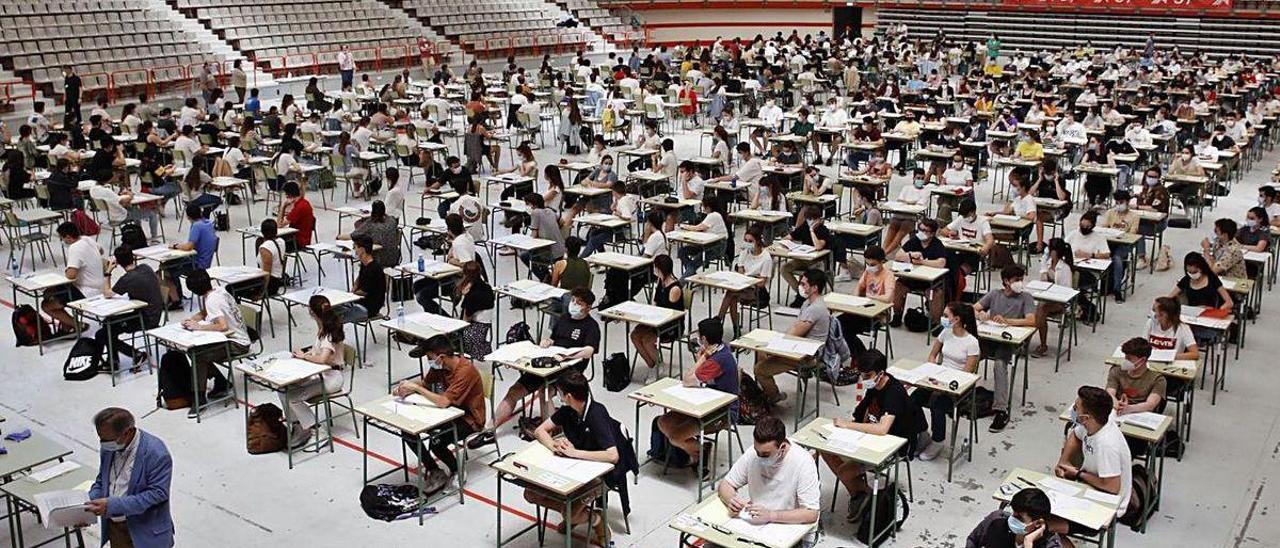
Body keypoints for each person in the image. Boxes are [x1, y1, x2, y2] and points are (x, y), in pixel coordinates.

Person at [525, 371, 637, 546]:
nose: (559, 395)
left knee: (569, 513)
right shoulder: (568, 410)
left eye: (560, 392)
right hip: (578, 465)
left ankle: (597, 521)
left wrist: (574, 453)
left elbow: (612, 456)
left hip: (604, 472)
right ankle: (575, 513)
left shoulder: (596, 414)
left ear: (568, 396)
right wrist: (556, 447)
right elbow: (540, 431)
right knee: (531, 494)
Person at [822, 349, 926, 521]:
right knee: (826, 451)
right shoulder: (874, 387)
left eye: (868, 375)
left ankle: (865, 494)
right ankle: (861, 493)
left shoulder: (894, 392)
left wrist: (848, 425)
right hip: (869, 438)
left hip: (893, 445)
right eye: (863, 375)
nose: (865, 380)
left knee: (844, 473)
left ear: (881, 373)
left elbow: (882, 429)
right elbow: (859, 413)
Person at [491, 288, 600, 436]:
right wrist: (547, 341)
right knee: (514, 391)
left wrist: (568, 356)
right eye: (573, 300)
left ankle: (549, 430)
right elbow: (554, 338)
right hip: (548, 361)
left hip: (569, 368)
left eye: (579, 302)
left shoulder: (591, 326)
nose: (574, 304)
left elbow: (589, 351)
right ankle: (489, 430)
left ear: (587, 307)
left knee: (546, 391)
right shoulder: (564, 318)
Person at [392, 334, 488, 493]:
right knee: (408, 431)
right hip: (447, 414)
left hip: (470, 419)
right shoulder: (440, 366)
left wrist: (416, 389)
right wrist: (406, 388)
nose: (430, 361)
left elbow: (443, 401)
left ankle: (456, 470)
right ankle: (434, 470)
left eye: (430, 357)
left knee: (437, 442)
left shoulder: (465, 371)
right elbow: (425, 384)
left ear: (441, 357)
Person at [653, 317, 739, 476]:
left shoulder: (717, 359)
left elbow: (687, 379)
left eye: (700, 336)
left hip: (722, 412)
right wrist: (703, 357)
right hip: (704, 401)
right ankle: (697, 449)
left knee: (675, 437)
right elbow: (699, 375)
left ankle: (700, 453)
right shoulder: (721, 347)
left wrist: (703, 358)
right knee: (663, 421)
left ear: (704, 339)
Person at [717, 416, 820, 546]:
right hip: (756, 524)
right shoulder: (753, 454)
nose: (759, 457)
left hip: (788, 526)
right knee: (712, 543)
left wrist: (771, 515)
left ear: (782, 447)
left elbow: (811, 513)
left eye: (765, 454)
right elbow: (725, 485)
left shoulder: (803, 462)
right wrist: (733, 501)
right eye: (757, 451)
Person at [87, 407, 174, 548]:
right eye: (101, 439)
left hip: (146, 534)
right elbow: (102, 481)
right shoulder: (109, 447)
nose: (103, 444)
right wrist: (88, 505)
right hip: (116, 529)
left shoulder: (156, 453)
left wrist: (112, 505)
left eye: (107, 440)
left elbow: (157, 494)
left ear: (128, 432)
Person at [1051, 386, 1132, 536]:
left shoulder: (1107, 444)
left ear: (1086, 417)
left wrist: (1078, 474)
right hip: (1089, 486)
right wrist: (1063, 462)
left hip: (1105, 501)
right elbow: (1076, 435)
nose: (1073, 409)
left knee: (1047, 525)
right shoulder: (1094, 424)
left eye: (1076, 408)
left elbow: (1112, 487)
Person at [973, 265, 1037, 432]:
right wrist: (980, 315)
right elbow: (974, 308)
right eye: (1016, 280)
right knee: (970, 355)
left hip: (1009, 343)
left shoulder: (1026, 298)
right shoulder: (995, 294)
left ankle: (1001, 409)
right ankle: (962, 393)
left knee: (1000, 365)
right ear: (1006, 282)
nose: (1020, 283)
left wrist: (1008, 321)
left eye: (1021, 279)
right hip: (989, 339)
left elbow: (1031, 321)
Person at [280, 295, 348, 448]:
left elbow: (323, 359)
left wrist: (305, 356)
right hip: (320, 374)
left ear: (312, 313)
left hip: (332, 378)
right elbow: (318, 353)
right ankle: (299, 426)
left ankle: (317, 431)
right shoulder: (323, 329)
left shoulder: (329, 334)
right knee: (282, 389)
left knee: (293, 397)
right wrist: (307, 354)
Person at [756, 268, 830, 405]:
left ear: (814, 288)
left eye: (803, 284)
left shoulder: (816, 308)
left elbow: (796, 331)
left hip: (807, 355)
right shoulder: (808, 302)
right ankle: (768, 390)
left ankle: (773, 395)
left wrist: (775, 344)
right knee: (760, 351)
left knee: (759, 369)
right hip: (798, 345)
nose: (800, 287)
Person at [918, 302, 981, 460]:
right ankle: (922, 431)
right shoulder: (946, 332)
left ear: (957, 319)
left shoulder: (972, 342)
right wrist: (932, 369)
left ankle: (938, 441)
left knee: (937, 406)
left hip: (957, 386)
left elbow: (967, 374)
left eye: (946, 316)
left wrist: (945, 386)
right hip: (937, 378)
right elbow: (932, 355)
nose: (943, 318)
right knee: (912, 399)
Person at [181, 269, 249, 416]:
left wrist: (200, 327)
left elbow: (222, 326)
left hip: (236, 343)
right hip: (235, 337)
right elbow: (206, 313)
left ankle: (199, 399)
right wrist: (192, 320)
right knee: (193, 351)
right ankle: (221, 382)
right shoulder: (217, 290)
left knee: (197, 355)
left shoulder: (212, 300)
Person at [98, 246, 166, 371]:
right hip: (156, 312)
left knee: (104, 331)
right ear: (133, 257)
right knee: (108, 325)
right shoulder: (146, 267)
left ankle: (135, 355)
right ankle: (113, 360)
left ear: (117, 262)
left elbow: (107, 293)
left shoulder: (127, 279)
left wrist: (108, 272)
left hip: (145, 318)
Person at [40, 223, 104, 332]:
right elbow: (101, 251)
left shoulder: (75, 248)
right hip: (98, 285)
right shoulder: (87, 239)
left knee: (46, 305)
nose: (62, 241)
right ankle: (66, 324)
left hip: (86, 291)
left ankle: (78, 325)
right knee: (49, 292)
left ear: (68, 237)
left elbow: (71, 275)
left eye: (62, 238)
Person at [629, 254, 684, 373]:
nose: (654, 271)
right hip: (657, 320)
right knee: (635, 335)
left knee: (647, 340)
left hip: (671, 325)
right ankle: (653, 365)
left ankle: (658, 366)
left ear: (661, 269)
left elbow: (670, 313)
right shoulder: (660, 281)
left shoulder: (674, 289)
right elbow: (655, 301)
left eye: (656, 268)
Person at [891, 218, 947, 326]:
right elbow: (898, 256)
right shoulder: (914, 240)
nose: (922, 233)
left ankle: (935, 323)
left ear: (932, 233)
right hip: (911, 279)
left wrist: (922, 262)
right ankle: (897, 315)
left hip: (930, 282)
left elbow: (941, 263)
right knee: (897, 286)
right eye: (920, 229)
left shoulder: (937, 244)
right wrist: (910, 255)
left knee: (937, 294)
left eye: (925, 231)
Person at [719, 225, 772, 337]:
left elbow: (762, 282)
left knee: (731, 294)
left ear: (758, 241)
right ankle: (734, 329)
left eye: (750, 241)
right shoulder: (745, 252)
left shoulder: (766, 258)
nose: (747, 243)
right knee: (732, 295)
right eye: (746, 240)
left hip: (758, 292)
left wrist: (749, 278)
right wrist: (752, 277)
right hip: (743, 286)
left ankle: (719, 322)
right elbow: (740, 271)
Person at [965, 487, 1062, 548]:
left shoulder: (1050, 544)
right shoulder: (997, 519)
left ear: (1038, 523)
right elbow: (973, 540)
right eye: (1013, 512)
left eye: (1019, 517)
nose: (1011, 519)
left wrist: (1028, 543)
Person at [781, 205, 833, 307]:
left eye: (813, 219)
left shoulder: (823, 230)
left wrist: (812, 231)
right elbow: (790, 236)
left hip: (817, 261)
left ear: (818, 219)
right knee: (784, 268)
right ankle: (802, 293)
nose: (810, 221)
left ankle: (803, 295)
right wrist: (785, 243)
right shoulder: (804, 226)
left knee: (808, 274)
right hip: (803, 258)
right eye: (808, 219)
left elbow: (818, 246)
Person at [1032, 238, 1074, 358]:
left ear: (1054, 252)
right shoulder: (1047, 262)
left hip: (1060, 302)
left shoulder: (1065, 268)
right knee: (1031, 307)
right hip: (1045, 298)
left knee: (1041, 309)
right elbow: (1042, 281)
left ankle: (1041, 344)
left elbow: (1067, 292)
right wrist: (1044, 269)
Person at [1108, 337, 1167, 420]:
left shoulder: (1158, 380)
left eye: (1129, 359)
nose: (1125, 361)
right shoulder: (1116, 371)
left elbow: (1150, 404)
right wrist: (1117, 404)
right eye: (1125, 357)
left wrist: (1129, 408)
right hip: (1116, 411)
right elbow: (1110, 393)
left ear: (1142, 360)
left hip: (1140, 414)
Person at [677, 195, 730, 278]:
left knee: (694, 264)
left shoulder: (714, 215)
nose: (702, 207)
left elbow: (698, 228)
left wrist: (683, 226)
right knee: (682, 251)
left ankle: (682, 284)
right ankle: (691, 272)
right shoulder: (710, 215)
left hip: (717, 247)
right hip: (706, 244)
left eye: (703, 205)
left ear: (708, 207)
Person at [1101, 190, 1140, 301]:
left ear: (1127, 202)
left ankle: (1117, 289)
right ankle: (1101, 285)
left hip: (1124, 245)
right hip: (1109, 243)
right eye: (1117, 202)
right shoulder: (1110, 213)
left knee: (1117, 260)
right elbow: (1103, 228)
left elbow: (1132, 234)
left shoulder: (1134, 216)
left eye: (1121, 202)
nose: (1119, 205)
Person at [339, 234, 385, 323]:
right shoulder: (365, 264)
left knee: (334, 318)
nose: (354, 250)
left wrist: (349, 296)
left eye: (355, 247)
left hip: (369, 307)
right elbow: (359, 279)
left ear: (362, 250)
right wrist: (353, 290)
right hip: (360, 302)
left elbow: (364, 291)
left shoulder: (373, 269)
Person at [522, 193, 566, 282]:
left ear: (534, 204)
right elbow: (561, 222)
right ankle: (547, 275)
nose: (527, 207)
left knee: (524, 255)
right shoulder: (550, 211)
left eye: (528, 204)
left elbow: (533, 235)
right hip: (561, 250)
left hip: (550, 253)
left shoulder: (535, 212)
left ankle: (544, 276)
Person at [276, 182, 315, 248]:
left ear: (288, 195)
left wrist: (283, 207)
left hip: (298, 241)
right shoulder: (304, 202)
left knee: (265, 242)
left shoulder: (299, 207)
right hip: (299, 237)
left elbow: (279, 224)